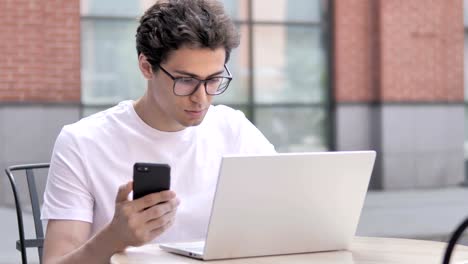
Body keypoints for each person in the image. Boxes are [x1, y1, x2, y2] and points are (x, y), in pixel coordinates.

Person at [41, 0, 275, 263]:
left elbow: (286, 212)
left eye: (213, 79)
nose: (202, 98)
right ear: (146, 66)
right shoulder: (82, 142)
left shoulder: (234, 129)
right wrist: (114, 238)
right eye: (186, 80)